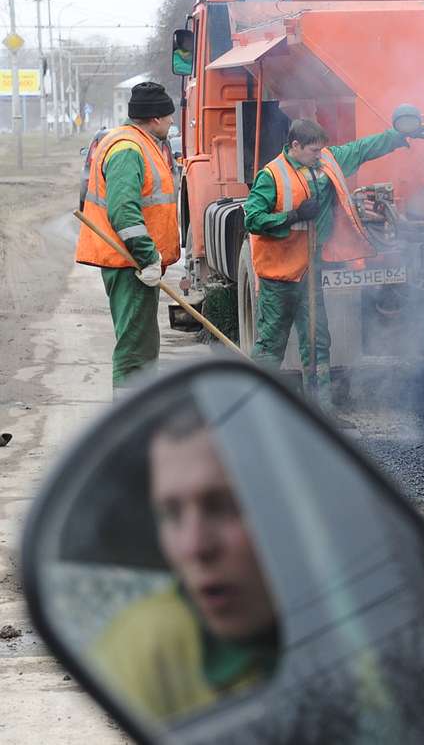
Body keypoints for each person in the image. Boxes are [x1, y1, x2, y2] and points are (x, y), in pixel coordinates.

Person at [92, 405, 278, 722]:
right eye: (171, 513)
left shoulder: (354, 623)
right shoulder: (144, 648)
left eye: (224, 506)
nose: (194, 546)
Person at [244, 115, 424, 415]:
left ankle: (321, 413)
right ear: (295, 146)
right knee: (270, 346)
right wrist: (292, 216)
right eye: (314, 151)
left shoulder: (325, 161)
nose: (320, 156)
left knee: (317, 343)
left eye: (321, 151)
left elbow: (361, 149)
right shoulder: (272, 176)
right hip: (279, 276)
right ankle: (257, 412)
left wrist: (396, 136)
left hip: (309, 270)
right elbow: (252, 219)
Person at [74, 82, 180, 395]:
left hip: (134, 262)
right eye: (169, 117)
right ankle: (129, 424)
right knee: (135, 349)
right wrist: (147, 257)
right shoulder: (127, 149)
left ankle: (140, 417)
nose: (173, 122)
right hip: (130, 263)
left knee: (143, 344)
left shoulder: (139, 143)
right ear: (156, 118)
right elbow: (124, 212)